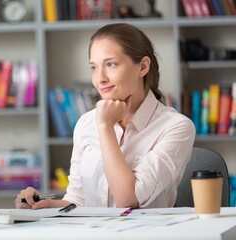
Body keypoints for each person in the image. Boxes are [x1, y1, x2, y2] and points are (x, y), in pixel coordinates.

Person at [15, 23, 196, 210]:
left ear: (142, 67)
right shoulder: (86, 123)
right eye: (94, 67)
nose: (100, 78)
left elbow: (128, 200)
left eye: (111, 64)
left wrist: (105, 127)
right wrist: (46, 205)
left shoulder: (176, 127)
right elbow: (78, 200)